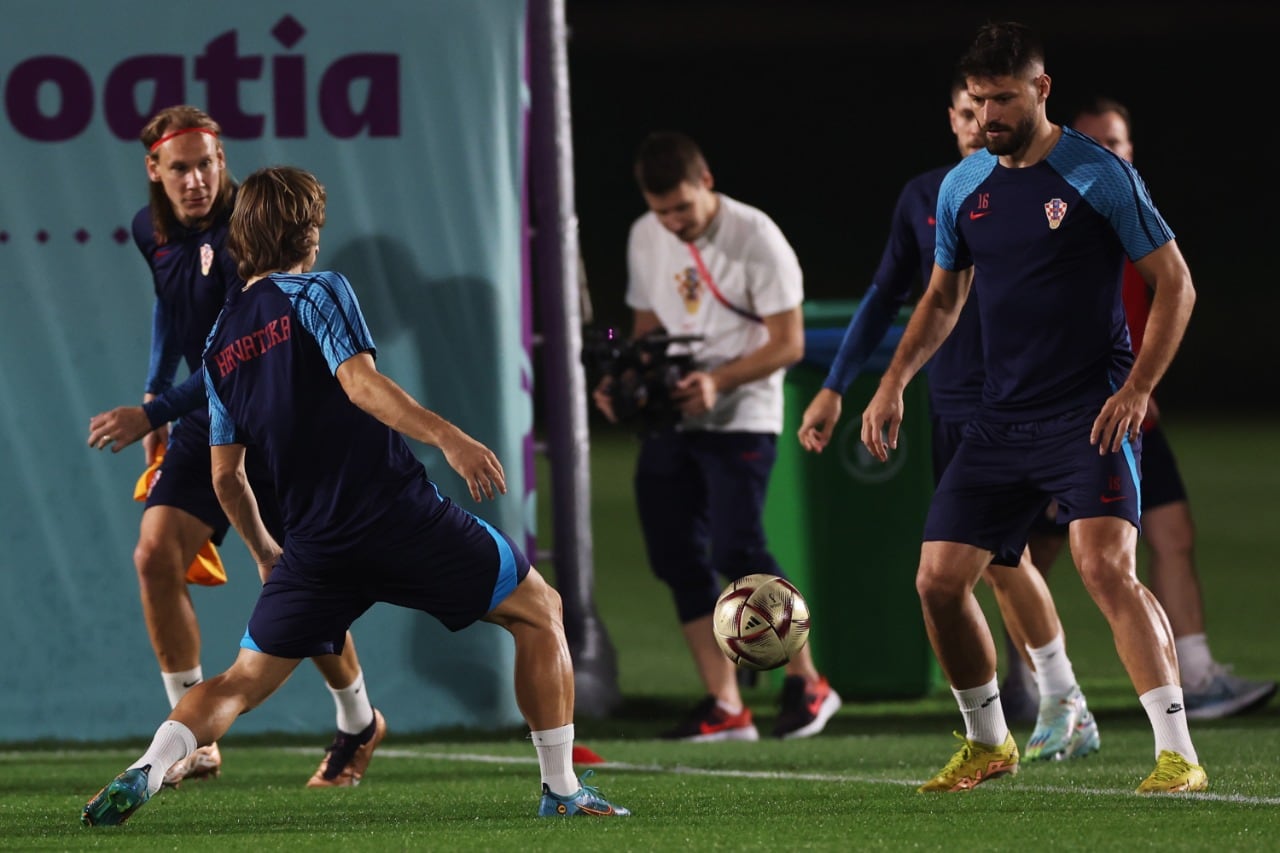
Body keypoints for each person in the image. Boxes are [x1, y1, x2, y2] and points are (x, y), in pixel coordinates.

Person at [81, 165, 630, 826]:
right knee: (540, 610)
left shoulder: (220, 342)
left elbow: (227, 477)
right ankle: (562, 789)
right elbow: (361, 384)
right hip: (396, 516)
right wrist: (449, 437)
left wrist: (265, 551)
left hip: (314, 546)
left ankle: (148, 767)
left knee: (239, 681)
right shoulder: (319, 289)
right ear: (306, 234)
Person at [859, 22, 1206, 793]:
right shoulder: (964, 186)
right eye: (978, 100)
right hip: (1000, 419)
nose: (989, 115)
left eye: (1004, 99)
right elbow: (942, 298)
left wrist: (1137, 387)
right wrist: (893, 381)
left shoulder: (1098, 175)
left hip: (1090, 413)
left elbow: (1176, 283)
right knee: (938, 580)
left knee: (1104, 567)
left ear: (1042, 90)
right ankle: (988, 741)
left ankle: (1178, 753)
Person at [797, 76, 1098, 762]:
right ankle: (1054, 700)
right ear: (952, 118)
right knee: (999, 561)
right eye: (966, 112)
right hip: (954, 403)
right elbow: (885, 296)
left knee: (1013, 559)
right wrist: (837, 385)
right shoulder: (929, 196)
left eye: (988, 109)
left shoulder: (1045, 189)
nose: (976, 123)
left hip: (1024, 403)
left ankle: (1060, 698)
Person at [86, 105, 384, 789]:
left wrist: (151, 411)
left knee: (296, 581)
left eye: (206, 163)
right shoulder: (150, 230)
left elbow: (232, 354)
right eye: (180, 168)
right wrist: (156, 389)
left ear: (223, 160)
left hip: (268, 414)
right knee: (154, 554)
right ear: (154, 170)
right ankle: (194, 742)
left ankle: (357, 719)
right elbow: (170, 304)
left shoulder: (247, 234)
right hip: (207, 418)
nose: (195, 179)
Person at [996, 96, 1276, 721]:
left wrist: (1143, 384)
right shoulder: (1051, 220)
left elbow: (1170, 297)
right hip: (1068, 418)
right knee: (1032, 555)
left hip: (1132, 414)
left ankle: (1196, 675)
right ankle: (1031, 678)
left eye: (1118, 141)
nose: (1109, 153)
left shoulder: (1134, 215)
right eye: (1095, 142)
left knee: (1173, 534)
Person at [592, 131, 841, 741]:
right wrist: (624, 382)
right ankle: (726, 705)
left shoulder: (756, 235)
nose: (673, 222)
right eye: (661, 211)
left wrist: (718, 381)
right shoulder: (645, 234)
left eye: (682, 207)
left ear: (706, 182)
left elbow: (790, 343)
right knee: (675, 555)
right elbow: (647, 328)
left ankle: (809, 682)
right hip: (673, 418)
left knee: (736, 549)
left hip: (741, 414)